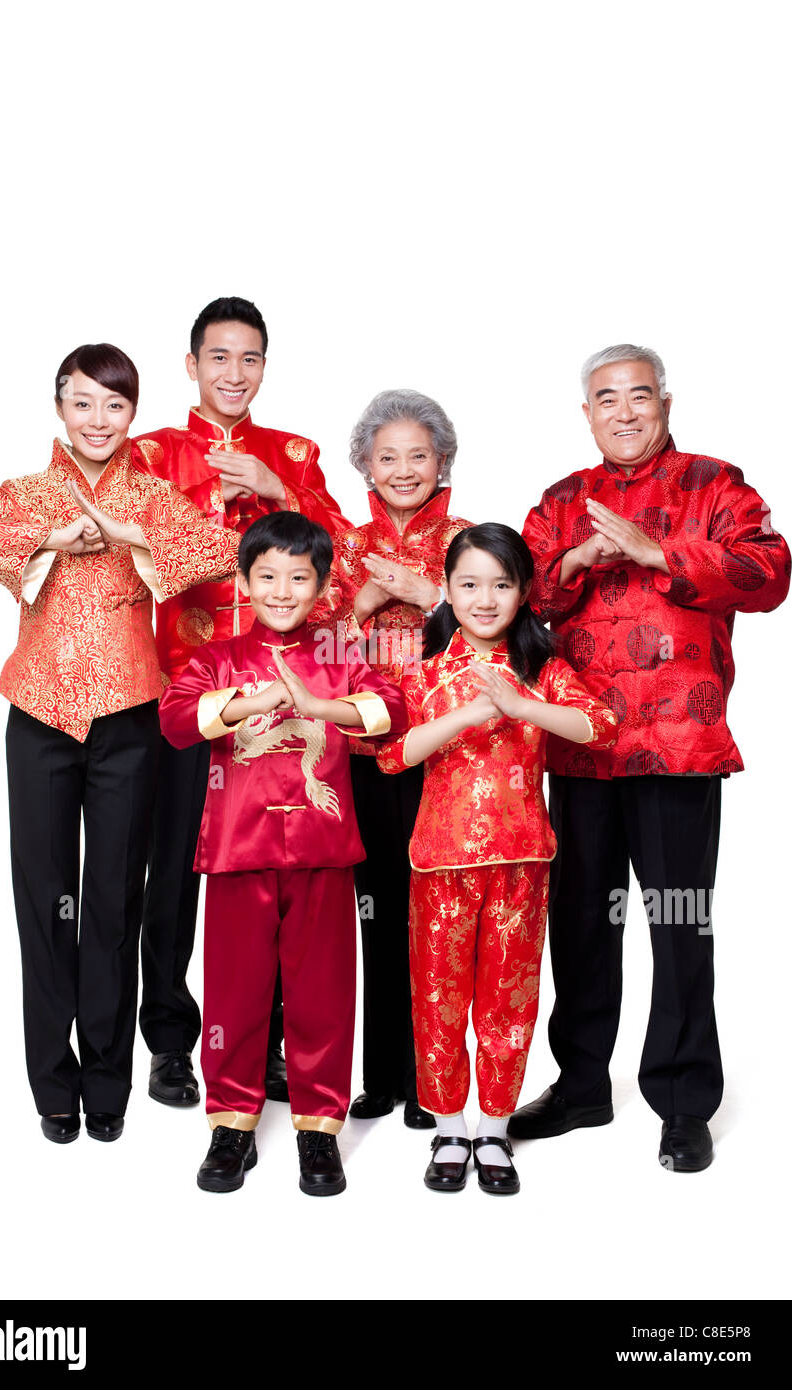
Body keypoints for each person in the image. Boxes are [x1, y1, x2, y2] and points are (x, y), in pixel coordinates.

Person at [0, 343, 240, 1143]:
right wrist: (46, 542)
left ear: (132, 413)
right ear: (59, 408)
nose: (98, 420)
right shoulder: (28, 491)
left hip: (129, 721)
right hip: (38, 717)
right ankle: (53, 1084)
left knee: (113, 900)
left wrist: (126, 532)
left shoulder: (150, 493)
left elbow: (221, 551)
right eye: (82, 403)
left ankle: (108, 1080)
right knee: (46, 903)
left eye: (114, 405)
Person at [514, 343, 791, 1171]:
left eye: (639, 396)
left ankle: (681, 1101)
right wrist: (574, 564)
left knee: (677, 925)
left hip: (680, 748)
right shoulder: (562, 501)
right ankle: (582, 1085)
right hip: (583, 748)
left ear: (665, 403)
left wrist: (656, 552)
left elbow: (770, 571)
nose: (624, 412)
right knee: (583, 924)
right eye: (606, 399)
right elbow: (514, 598)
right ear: (587, 413)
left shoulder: (715, 485)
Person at [133, 296, 351, 1109]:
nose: (235, 373)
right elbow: (134, 553)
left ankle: (272, 1051)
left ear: (265, 366)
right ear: (191, 365)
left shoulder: (295, 450)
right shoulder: (151, 453)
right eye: (218, 357)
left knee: (277, 876)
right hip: (182, 694)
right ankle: (170, 1042)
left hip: (286, 699)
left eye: (250, 358)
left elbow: (343, 557)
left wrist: (277, 484)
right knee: (176, 876)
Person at [158, 511, 407, 1196]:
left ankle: (318, 1129)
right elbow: (177, 719)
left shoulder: (339, 655)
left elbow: (390, 709)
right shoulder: (220, 657)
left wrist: (315, 705)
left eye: (299, 577)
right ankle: (232, 1124)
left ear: (322, 585)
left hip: (324, 849)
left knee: (322, 995)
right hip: (239, 848)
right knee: (234, 995)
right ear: (244, 580)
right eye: (267, 576)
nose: (282, 590)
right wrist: (251, 700)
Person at [377, 525, 618, 1193]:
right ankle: (449, 1125)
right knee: (438, 999)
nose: (486, 599)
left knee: (509, 1002)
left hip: (522, 862)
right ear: (447, 592)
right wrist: (466, 715)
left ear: (523, 594)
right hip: (439, 862)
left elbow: (600, 726)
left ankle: (493, 1128)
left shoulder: (542, 669)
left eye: (502, 584)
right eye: (470, 584)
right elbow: (394, 754)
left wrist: (519, 704)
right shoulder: (423, 673)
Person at [328, 389, 472, 1129]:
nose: (405, 469)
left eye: (419, 455)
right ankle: (381, 1076)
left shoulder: (470, 543)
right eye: (389, 457)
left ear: (441, 459)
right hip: (364, 748)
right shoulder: (346, 546)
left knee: (436, 917)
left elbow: (498, 636)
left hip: (449, 752)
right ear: (366, 466)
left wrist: (429, 595)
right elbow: (313, 647)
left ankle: (431, 1081)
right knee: (376, 911)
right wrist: (362, 604)